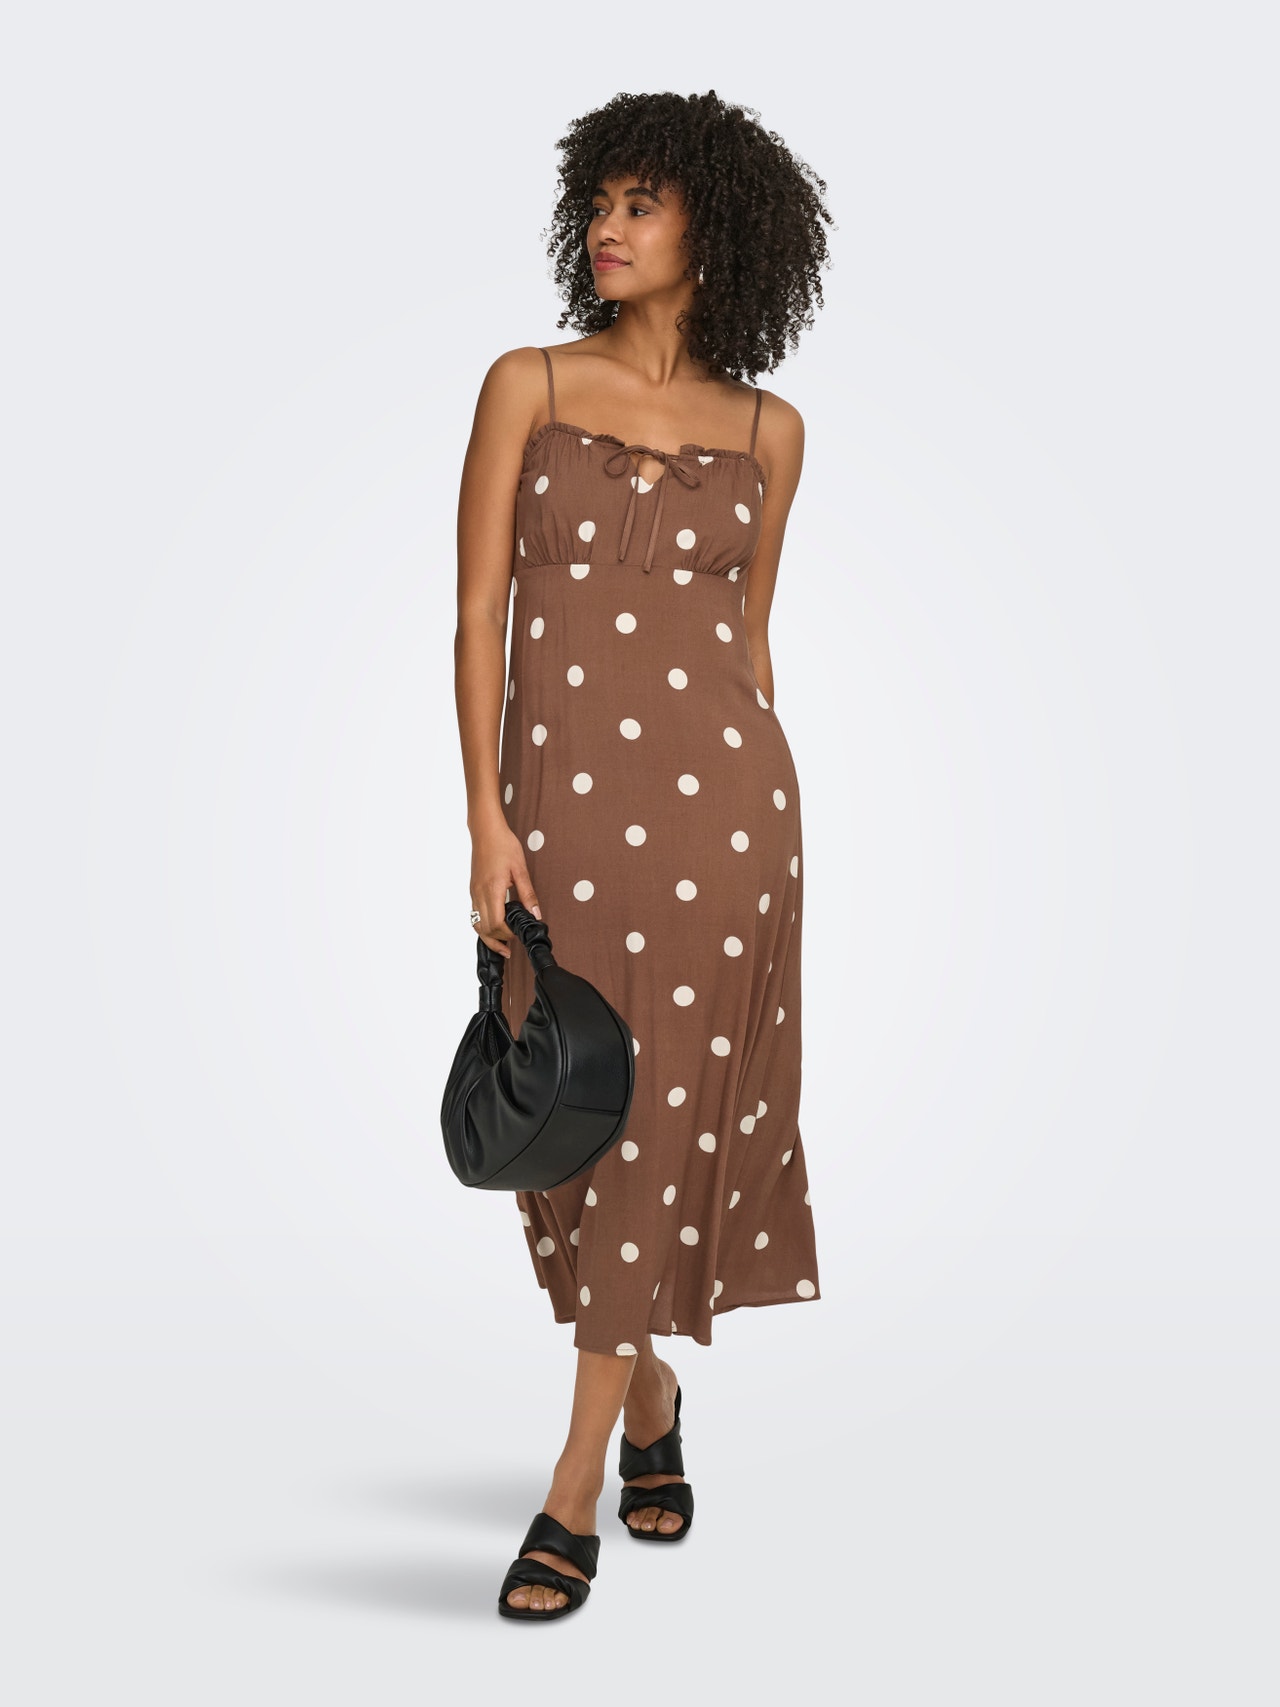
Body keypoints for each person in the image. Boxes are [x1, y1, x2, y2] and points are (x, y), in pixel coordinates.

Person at [451, 88, 833, 1621]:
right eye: (597, 203)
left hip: (726, 817)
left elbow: (750, 643)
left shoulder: (769, 431)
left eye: (641, 204)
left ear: (713, 230)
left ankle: (572, 1489)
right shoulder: (530, 383)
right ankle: (654, 1396)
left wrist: (769, 825)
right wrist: (487, 816)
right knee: (569, 1119)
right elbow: (477, 614)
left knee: (664, 1115)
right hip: (561, 813)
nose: (608, 228)